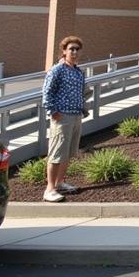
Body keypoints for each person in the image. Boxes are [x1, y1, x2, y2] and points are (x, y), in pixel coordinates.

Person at [41, 35, 87, 203]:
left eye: (77, 49)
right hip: (62, 116)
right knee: (57, 152)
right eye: (71, 49)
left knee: (68, 152)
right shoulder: (57, 69)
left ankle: (60, 182)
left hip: (76, 115)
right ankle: (50, 189)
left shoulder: (78, 71)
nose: (74, 52)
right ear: (64, 51)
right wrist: (53, 112)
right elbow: (47, 92)